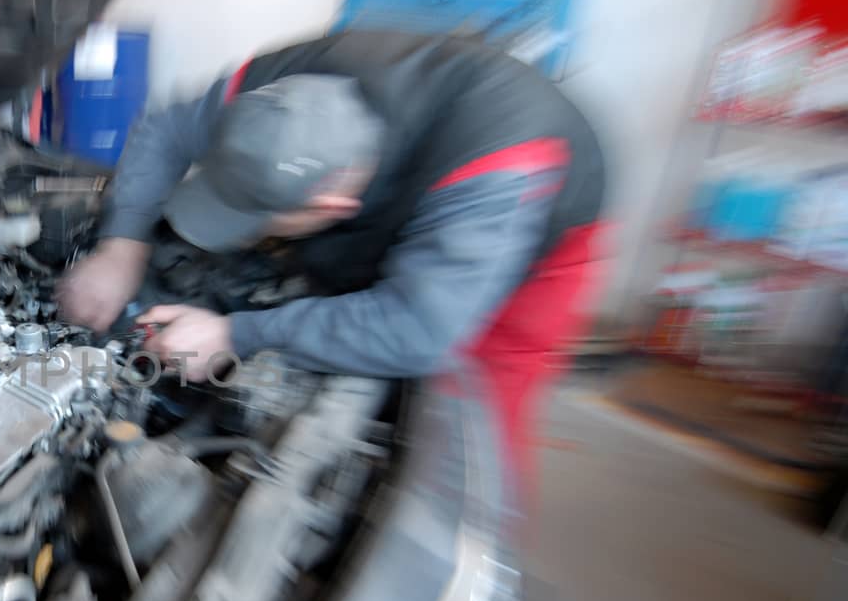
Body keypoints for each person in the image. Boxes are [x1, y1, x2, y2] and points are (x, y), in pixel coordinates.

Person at [56, 30, 608, 495]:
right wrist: (121, 246)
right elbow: (164, 130)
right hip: (416, 164)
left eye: (256, 217)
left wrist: (234, 333)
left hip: (540, 225)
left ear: (333, 207)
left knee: (476, 413)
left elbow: (418, 331)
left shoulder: (493, 178)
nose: (245, 232)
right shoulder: (275, 88)